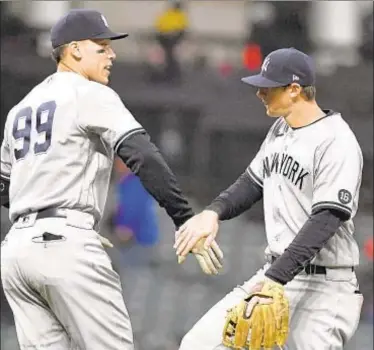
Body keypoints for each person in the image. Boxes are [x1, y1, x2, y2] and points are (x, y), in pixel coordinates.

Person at [0, 9, 222, 350]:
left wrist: (44, 212)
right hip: (64, 244)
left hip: (17, 252)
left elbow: (4, 188)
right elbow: (142, 155)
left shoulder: (20, 110)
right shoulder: (88, 93)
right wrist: (184, 218)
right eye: (102, 47)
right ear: (74, 50)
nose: (112, 54)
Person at [175, 47, 364, 349]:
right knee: (197, 344)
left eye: (268, 87)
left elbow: (327, 218)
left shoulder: (335, 140)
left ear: (294, 89)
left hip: (324, 288)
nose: (260, 93)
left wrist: (276, 279)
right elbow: (252, 181)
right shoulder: (280, 130)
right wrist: (213, 212)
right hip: (275, 275)